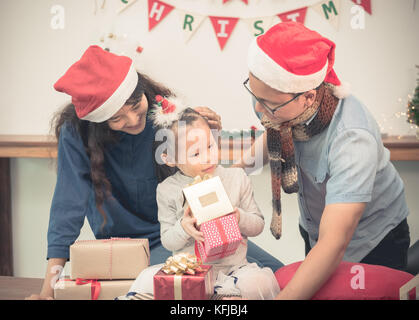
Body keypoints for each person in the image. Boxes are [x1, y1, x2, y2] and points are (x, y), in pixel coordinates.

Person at [26, 45, 279, 300]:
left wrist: (206, 135)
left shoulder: (164, 115)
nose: (134, 120)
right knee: (198, 289)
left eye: (137, 106)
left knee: (279, 280)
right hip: (137, 247)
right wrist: (49, 289)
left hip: (189, 235)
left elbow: (200, 175)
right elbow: (67, 207)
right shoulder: (77, 133)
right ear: (100, 122)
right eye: (117, 119)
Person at [234, 22, 410, 300]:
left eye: (267, 104)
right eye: (254, 96)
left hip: (371, 243)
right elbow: (273, 133)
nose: (258, 109)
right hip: (315, 231)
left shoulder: (352, 139)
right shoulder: (274, 100)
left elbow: (334, 243)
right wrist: (233, 177)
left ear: (308, 97)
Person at [125, 97, 280, 299]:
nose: (208, 157)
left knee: (259, 282)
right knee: (146, 279)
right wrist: (183, 227)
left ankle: (225, 297)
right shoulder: (168, 190)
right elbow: (168, 240)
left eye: (210, 146)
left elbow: (258, 224)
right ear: (170, 158)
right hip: (190, 272)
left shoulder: (235, 178)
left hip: (234, 270)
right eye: (196, 153)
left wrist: (239, 217)